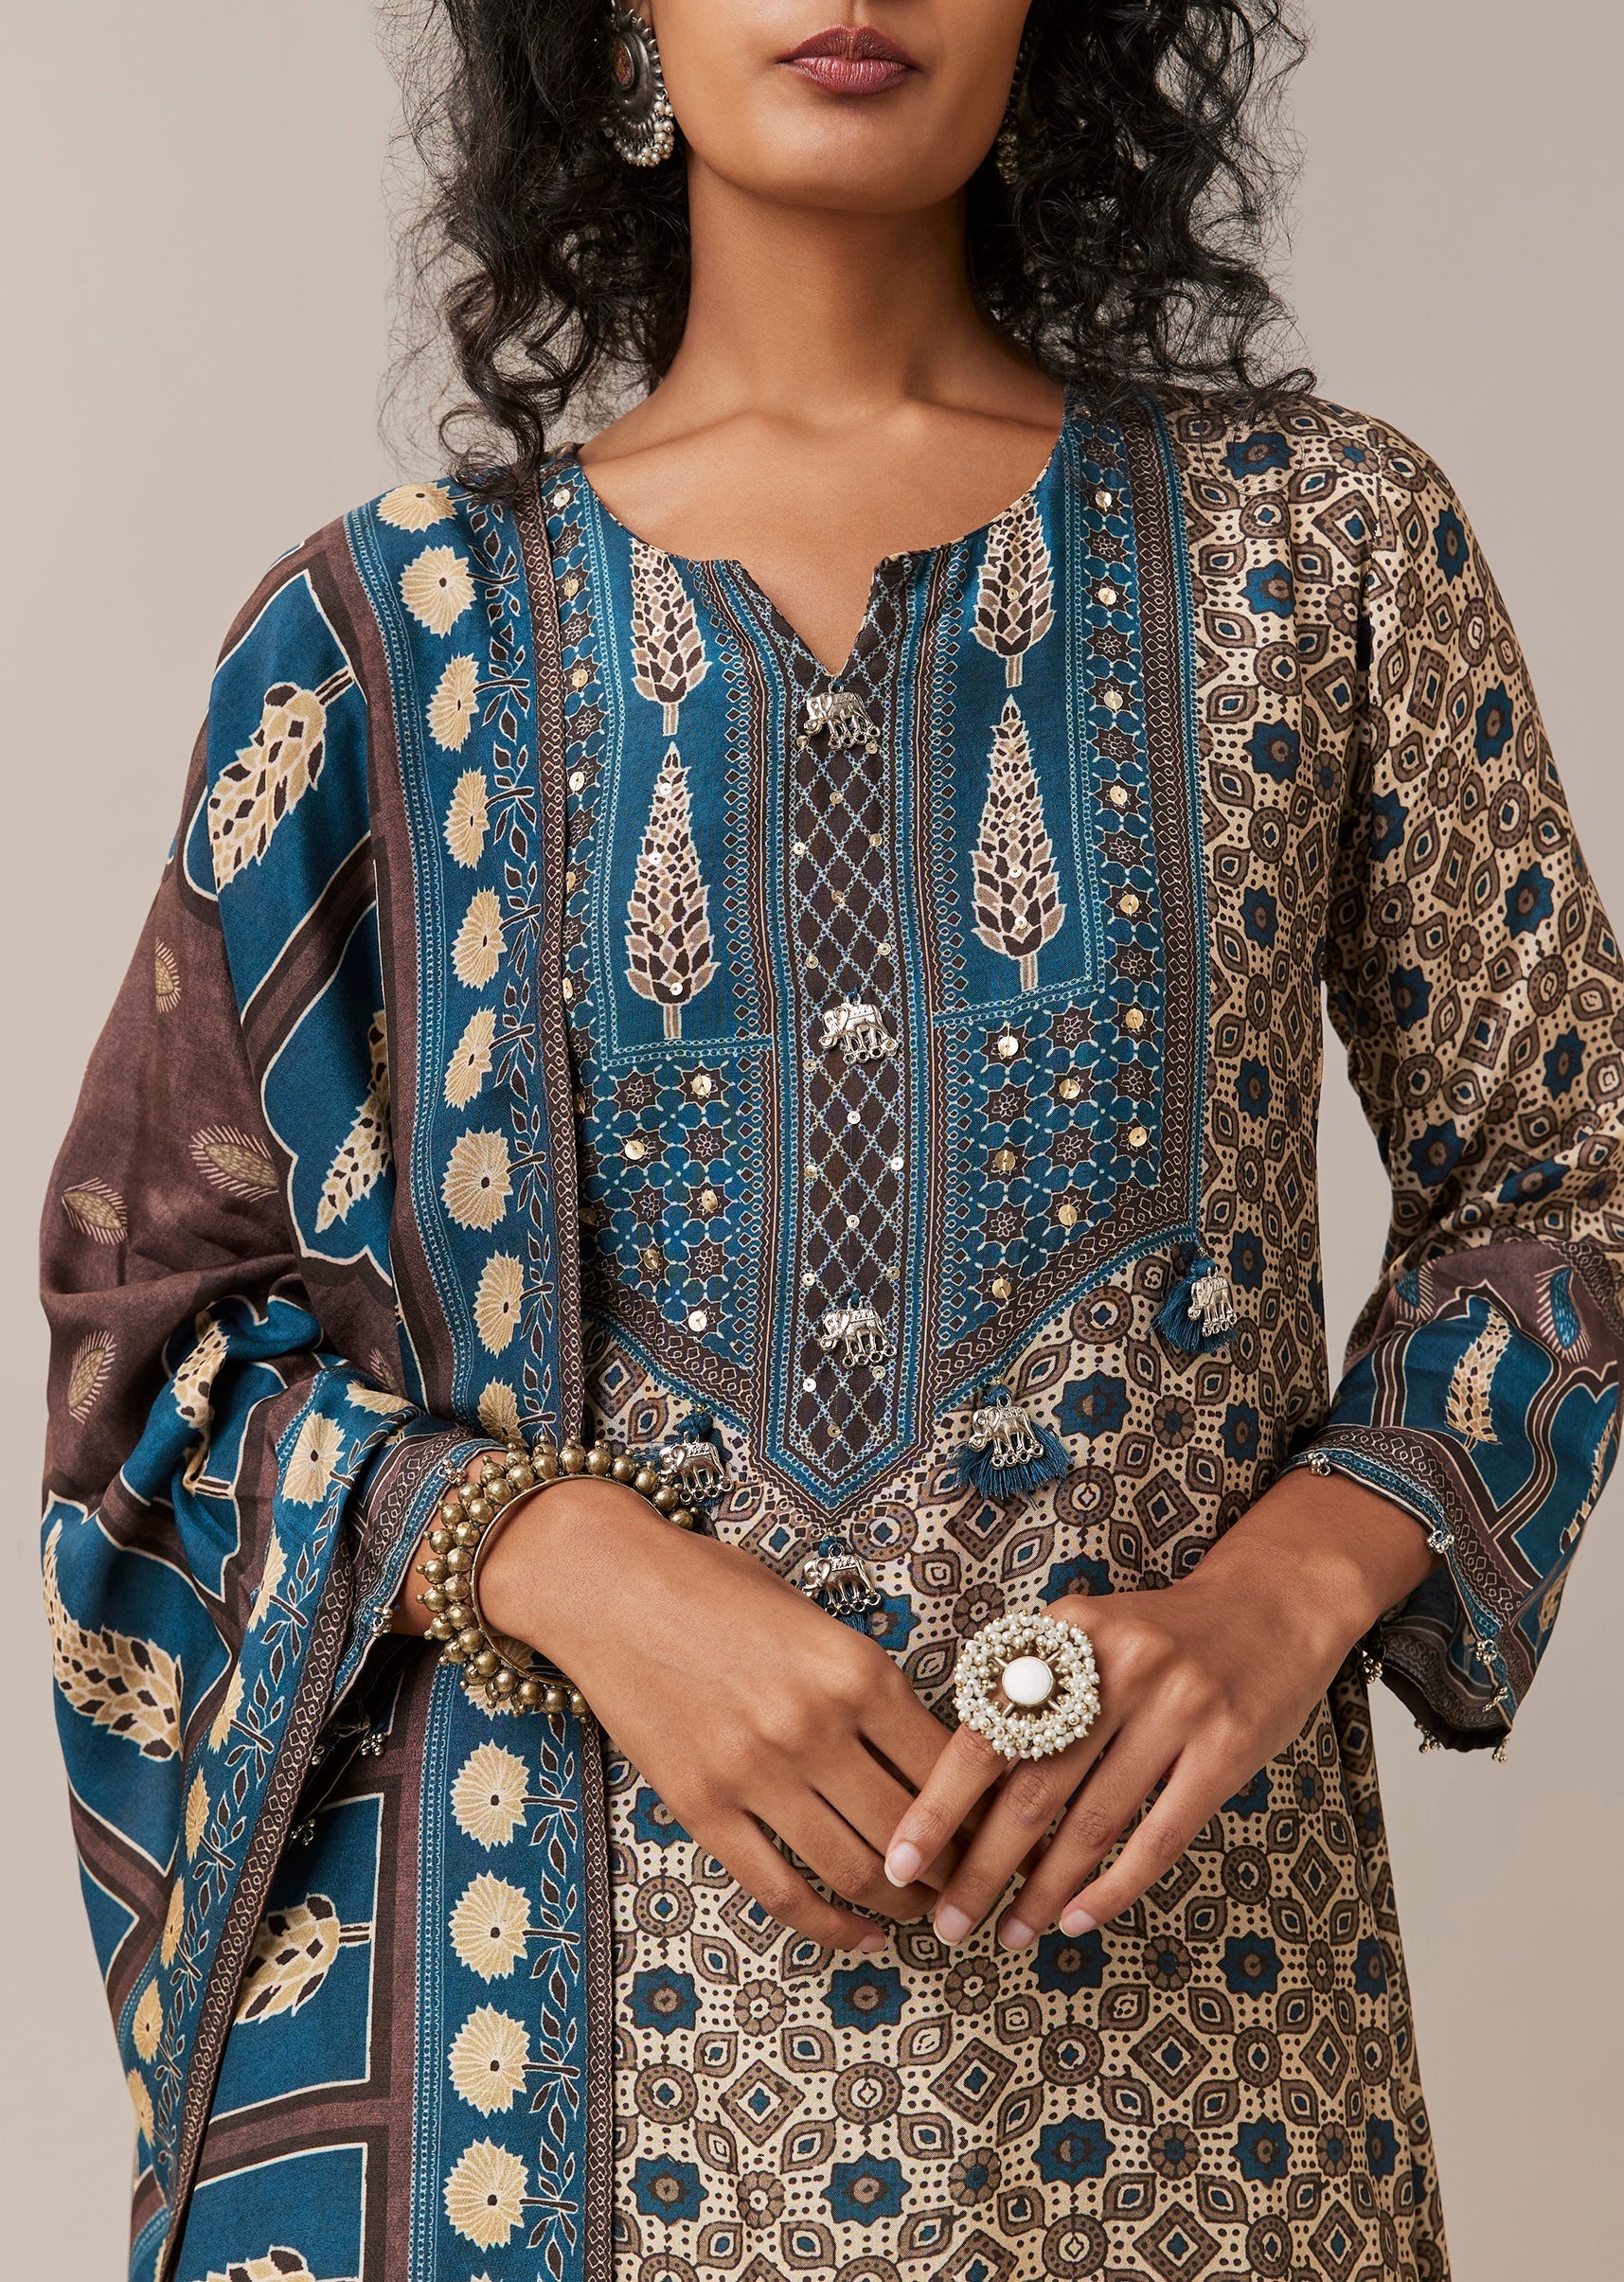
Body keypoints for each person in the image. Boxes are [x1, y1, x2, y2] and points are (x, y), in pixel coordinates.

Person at [40, 6, 1621, 2279]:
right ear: (614, 25)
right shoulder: (382, 644)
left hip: (1206, 2112)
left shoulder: (1323, 549)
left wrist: (1292, 1581)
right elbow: (162, 1334)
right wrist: (559, 1555)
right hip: (546, 2155)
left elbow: (1575, 1163)